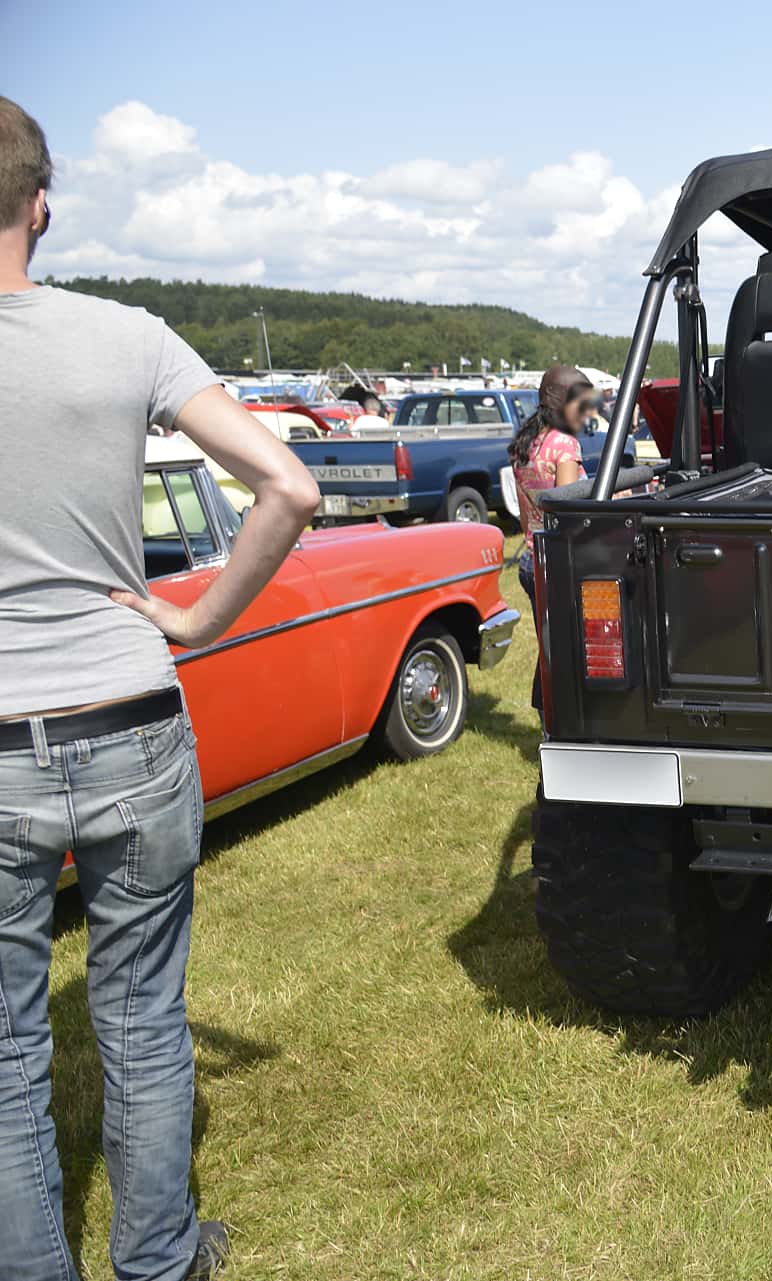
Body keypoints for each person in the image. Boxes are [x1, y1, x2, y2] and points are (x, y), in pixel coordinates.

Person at [0, 98, 320, 1280]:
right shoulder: (127, 336)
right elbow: (291, 489)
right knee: (139, 1016)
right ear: (42, 204)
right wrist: (197, 618)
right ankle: (160, 1259)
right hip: (129, 716)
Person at [508, 364, 595, 705]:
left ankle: (547, 715)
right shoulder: (565, 446)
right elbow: (566, 512)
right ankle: (557, 715)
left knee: (549, 646)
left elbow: (524, 518)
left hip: (532, 558)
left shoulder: (524, 445)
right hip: (559, 562)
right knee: (569, 648)